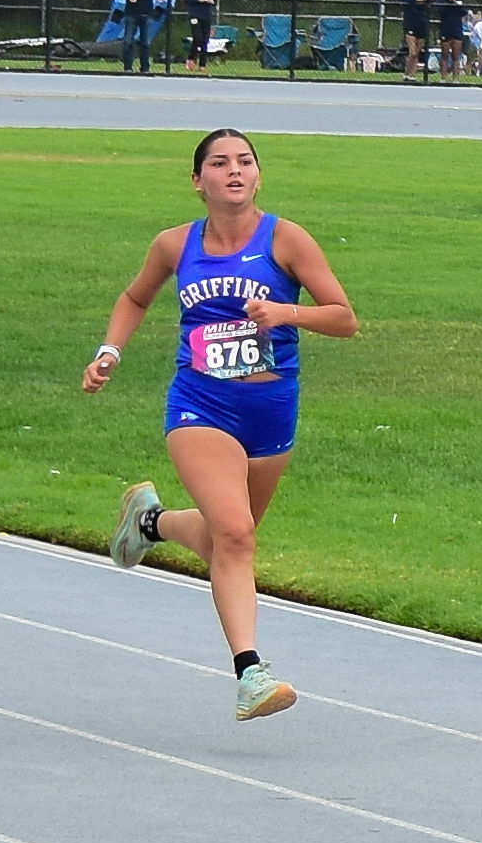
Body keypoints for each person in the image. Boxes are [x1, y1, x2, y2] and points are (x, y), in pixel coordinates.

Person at [82, 128, 358, 722]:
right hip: (201, 405)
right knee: (235, 534)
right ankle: (250, 673)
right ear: (197, 180)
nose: (234, 170)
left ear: (258, 175)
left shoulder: (286, 239)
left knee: (227, 539)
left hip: (271, 409)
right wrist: (110, 351)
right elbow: (135, 299)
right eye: (219, 162)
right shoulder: (174, 245)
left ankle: (150, 522)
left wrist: (285, 312)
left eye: (245, 161)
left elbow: (344, 318)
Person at [185, 0, 216, 73]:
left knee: (205, 40)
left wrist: (211, 1)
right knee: (197, 38)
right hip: (194, 15)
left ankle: (202, 65)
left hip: (206, 15)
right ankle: (191, 59)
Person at [399, 0, 431, 82]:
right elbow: (403, 0)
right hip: (410, 24)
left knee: (417, 52)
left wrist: (426, 0)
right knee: (412, 52)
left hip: (421, 25)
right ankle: (406, 74)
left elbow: (430, 2)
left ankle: (412, 75)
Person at [436, 0, 467, 83]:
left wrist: (456, 3)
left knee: (456, 56)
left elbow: (463, 12)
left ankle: (455, 78)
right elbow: (441, 12)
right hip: (445, 29)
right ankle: (443, 78)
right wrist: (449, 0)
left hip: (457, 29)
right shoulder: (442, 0)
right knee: (444, 55)